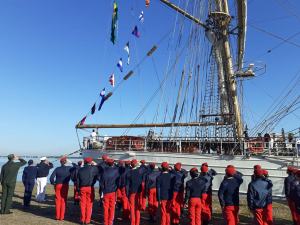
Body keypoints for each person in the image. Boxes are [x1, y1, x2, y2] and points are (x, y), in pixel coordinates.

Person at [125, 159, 151, 225]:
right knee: (137, 208)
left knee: (132, 208)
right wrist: (142, 164)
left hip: (132, 191)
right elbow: (149, 169)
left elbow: (127, 185)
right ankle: (137, 222)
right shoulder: (140, 171)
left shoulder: (128, 173)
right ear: (136, 164)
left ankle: (132, 222)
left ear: (131, 165)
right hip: (138, 192)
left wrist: (126, 194)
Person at [76, 157, 98, 225]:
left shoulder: (80, 170)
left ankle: (82, 220)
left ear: (84, 162)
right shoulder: (94, 169)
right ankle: (87, 220)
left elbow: (78, 180)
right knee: (89, 204)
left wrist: (78, 188)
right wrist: (96, 165)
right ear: (91, 162)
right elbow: (100, 170)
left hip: (83, 187)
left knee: (82, 204)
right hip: (90, 187)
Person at [99, 158, 120, 225]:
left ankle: (105, 221)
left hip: (106, 191)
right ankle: (110, 221)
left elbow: (100, 181)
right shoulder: (116, 171)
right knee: (112, 207)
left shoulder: (103, 171)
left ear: (106, 163)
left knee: (105, 207)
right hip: (113, 191)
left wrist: (103, 188)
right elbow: (122, 169)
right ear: (113, 163)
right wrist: (117, 165)